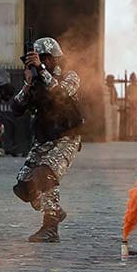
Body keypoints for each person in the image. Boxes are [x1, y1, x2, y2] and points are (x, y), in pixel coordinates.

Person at [11, 37, 83, 243]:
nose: (38, 62)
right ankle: (55, 210)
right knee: (24, 186)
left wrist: (41, 71)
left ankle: (50, 226)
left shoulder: (70, 77)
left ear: (53, 59)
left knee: (45, 174)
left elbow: (60, 93)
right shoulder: (36, 81)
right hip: (43, 139)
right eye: (35, 59)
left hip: (66, 137)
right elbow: (16, 108)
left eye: (43, 58)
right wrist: (28, 84)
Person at [125, 72, 137, 139]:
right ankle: (131, 135)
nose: (133, 80)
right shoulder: (128, 87)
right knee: (131, 121)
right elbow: (127, 97)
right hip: (131, 105)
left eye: (134, 78)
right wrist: (130, 102)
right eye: (132, 78)